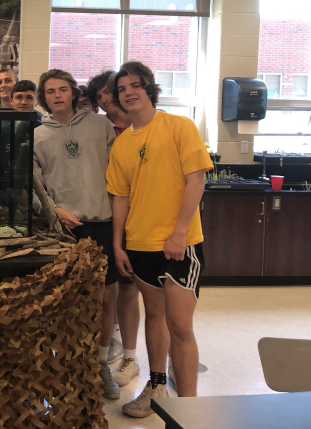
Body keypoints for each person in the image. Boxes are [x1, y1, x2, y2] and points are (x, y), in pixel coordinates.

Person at [106, 61, 212, 417]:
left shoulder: (179, 127)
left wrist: (180, 233)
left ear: (149, 88)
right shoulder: (121, 145)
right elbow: (120, 197)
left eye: (135, 85)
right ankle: (157, 388)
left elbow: (196, 180)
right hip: (139, 244)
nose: (129, 92)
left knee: (179, 324)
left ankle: (188, 410)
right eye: (122, 89)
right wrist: (118, 244)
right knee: (154, 316)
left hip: (180, 245)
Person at [33, 69, 119, 400]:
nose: (56, 95)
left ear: (73, 93)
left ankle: (99, 364)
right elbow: (34, 187)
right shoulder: (39, 135)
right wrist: (52, 211)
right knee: (64, 299)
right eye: (50, 91)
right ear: (44, 97)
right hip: (63, 230)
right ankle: (65, 366)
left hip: (102, 222)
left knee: (105, 298)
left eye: (62, 89)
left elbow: (119, 173)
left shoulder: (100, 126)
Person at [88, 69, 139, 386]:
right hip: (111, 215)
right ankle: (106, 354)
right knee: (112, 289)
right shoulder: (103, 129)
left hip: (143, 216)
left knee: (132, 288)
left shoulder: (142, 126)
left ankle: (132, 357)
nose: (106, 98)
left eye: (109, 91)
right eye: (100, 95)